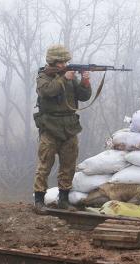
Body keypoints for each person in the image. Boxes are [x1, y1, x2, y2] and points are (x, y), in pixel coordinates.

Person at [33, 44, 91, 212]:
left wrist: (85, 82)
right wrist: (64, 78)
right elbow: (47, 91)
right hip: (50, 127)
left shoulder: (69, 76)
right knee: (45, 165)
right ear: (53, 62)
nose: (65, 64)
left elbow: (84, 96)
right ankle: (39, 201)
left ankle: (63, 199)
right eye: (62, 61)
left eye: (66, 61)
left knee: (68, 165)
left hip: (70, 127)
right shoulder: (43, 76)